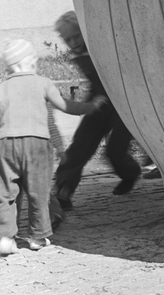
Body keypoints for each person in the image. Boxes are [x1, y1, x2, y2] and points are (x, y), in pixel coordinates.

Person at [0, 39, 103, 256]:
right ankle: (37, 237)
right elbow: (65, 105)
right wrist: (90, 106)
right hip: (36, 143)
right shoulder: (43, 82)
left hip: (5, 144)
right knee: (37, 191)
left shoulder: (1, 88)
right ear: (30, 61)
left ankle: (6, 238)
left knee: (5, 193)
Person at [51, 12, 141, 207]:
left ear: (84, 31)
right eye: (68, 39)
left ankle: (130, 174)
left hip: (124, 102)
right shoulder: (78, 52)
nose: (73, 42)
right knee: (80, 144)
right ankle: (63, 190)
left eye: (76, 36)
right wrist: (89, 104)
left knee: (115, 149)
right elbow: (96, 81)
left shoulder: (99, 46)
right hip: (100, 101)